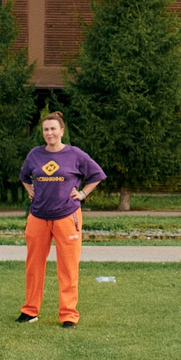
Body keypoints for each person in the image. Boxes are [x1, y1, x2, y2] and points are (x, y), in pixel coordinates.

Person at [18, 111, 105, 327]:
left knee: (68, 267)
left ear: (62, 131)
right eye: (46, 129)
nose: (49, 133)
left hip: (67, 216)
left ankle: (68, 315)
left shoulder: (75, 154)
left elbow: (97, 175)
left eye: (53, 129)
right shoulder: (35, 155)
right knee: (33, 266)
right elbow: (24, 176)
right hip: (38, 216)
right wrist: (30, 190)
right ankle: (30, 311)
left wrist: (82, 194)